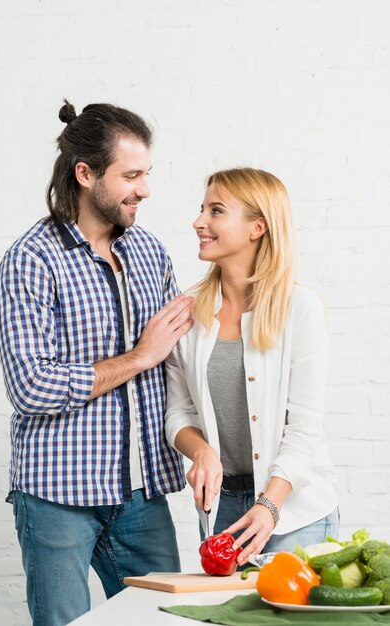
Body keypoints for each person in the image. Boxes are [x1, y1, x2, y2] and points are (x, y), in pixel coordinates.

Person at [0, 100, 194, 626]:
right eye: (130, 175)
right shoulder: (32, 259)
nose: (144, 189)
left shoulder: (151, 254)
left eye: (146, 174)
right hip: (57, 497)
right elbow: (32, 387)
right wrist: (139, 356)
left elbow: (177, 367)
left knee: (169, 619)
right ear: (85, 174)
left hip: (141, 492)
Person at [165, 167, 339, 567]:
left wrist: (270, 506)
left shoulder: (299, 309)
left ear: (257, 227)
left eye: (216, 211)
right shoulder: (186, 313)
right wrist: (202, 451)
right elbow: (178, 411)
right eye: (201, 209)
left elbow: (304, 428)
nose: (199, 222)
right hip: (221, 509)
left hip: (296, 512)